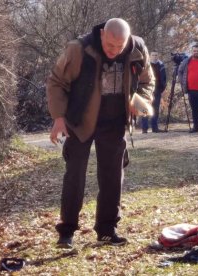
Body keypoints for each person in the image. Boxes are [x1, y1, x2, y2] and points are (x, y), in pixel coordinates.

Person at [46, 18, 154, 248]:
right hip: (80, 119)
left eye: (120, 46)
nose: (114, 51)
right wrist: (58, 118)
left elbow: (147, 81)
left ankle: (107, 229)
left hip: (114, 121)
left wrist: (141, 100)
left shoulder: (137, 49)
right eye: (110, 46)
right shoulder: (78, 49)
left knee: (113, 176)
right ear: (103, 34)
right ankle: (66, 232)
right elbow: (57, 82)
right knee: (75, 175)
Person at [141, 51, 166, 133]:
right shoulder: (145, 65)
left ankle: (155, 128)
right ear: (150, 56)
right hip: (147, 90)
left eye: (156, 55)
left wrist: (163, 89)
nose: (154, 56)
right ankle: (144, 128)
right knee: (145, 108)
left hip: (157, 90)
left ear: (158, 56)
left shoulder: (161, 65)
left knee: (155, 109)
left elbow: (164, 78)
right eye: (153, 55)